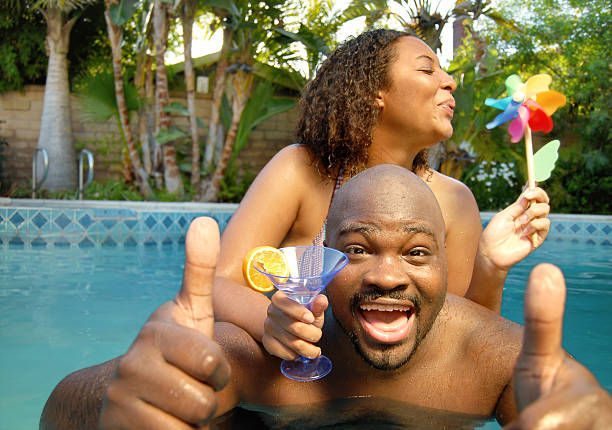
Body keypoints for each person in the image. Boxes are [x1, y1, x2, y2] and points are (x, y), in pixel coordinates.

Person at [40, 165, 612, 430]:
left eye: (416, 253)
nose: (388, 276)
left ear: (445, 263)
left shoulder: (495, 359)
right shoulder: (261, 357)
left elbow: (563, 405)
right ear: (322, 259)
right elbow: (59, 409)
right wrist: (112, 401)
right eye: (358, 250)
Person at [211, 28, 551, 362]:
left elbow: (465, 343)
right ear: (375, 91)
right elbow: (219, 284)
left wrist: (491, 267)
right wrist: (274, 324)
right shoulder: (300, 170)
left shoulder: (454, 200)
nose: (450, 81)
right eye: (427, 68)